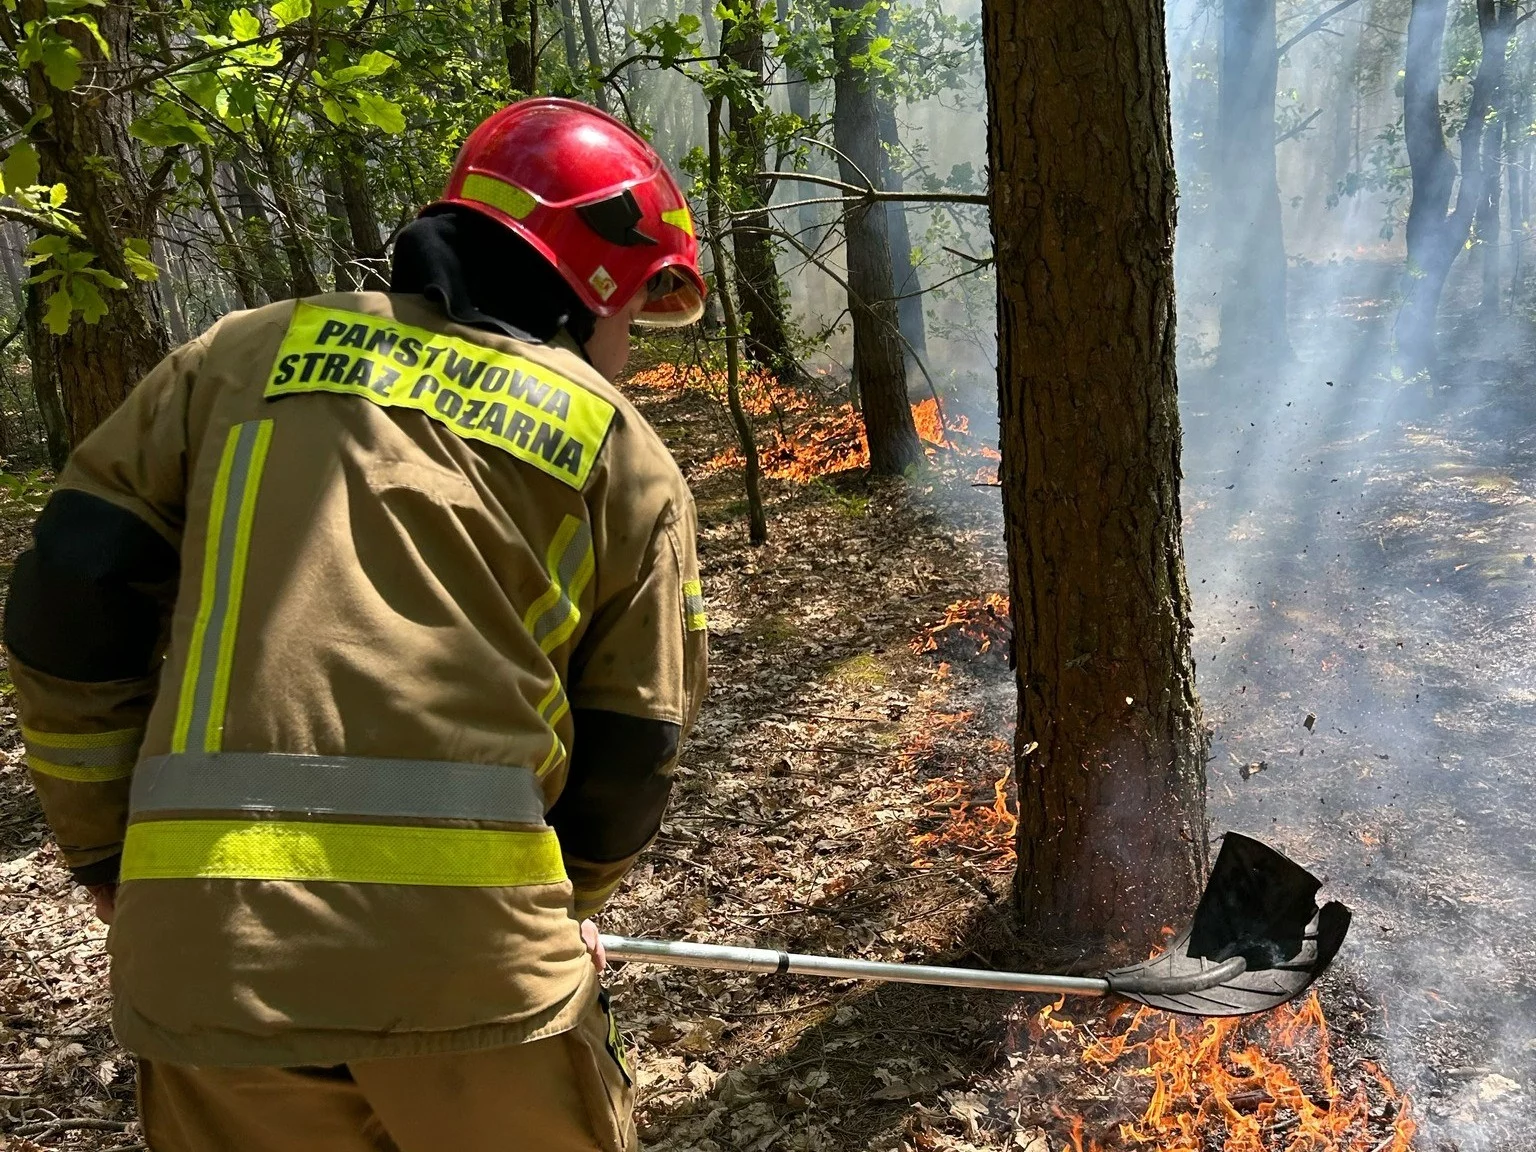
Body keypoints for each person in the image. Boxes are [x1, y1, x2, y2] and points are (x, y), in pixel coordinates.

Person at [2, 97, 709, 1151]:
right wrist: (566, 905)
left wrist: (110, 856)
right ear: (594, 276)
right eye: (631, 318)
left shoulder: (231, 362)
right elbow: (636, 736)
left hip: (211, 968)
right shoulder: (617, 447)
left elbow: (67, 606)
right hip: (479, 982)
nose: (625, 354)